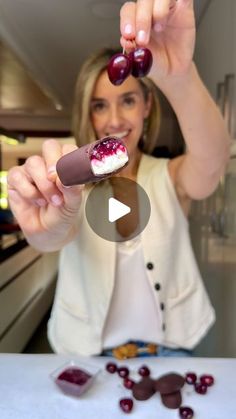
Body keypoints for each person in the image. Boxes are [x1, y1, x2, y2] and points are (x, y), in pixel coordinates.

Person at [7, 0, 230, 359]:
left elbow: (211, 165)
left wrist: (180, 76)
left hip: (167, 353)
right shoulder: (70, 187)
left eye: (127, 100)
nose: (114, 120)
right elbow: (52, 237)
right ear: (87, 113)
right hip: (87, 354)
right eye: (99, 105)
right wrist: (40, 228)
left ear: (146, 106)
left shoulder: (169, 176)